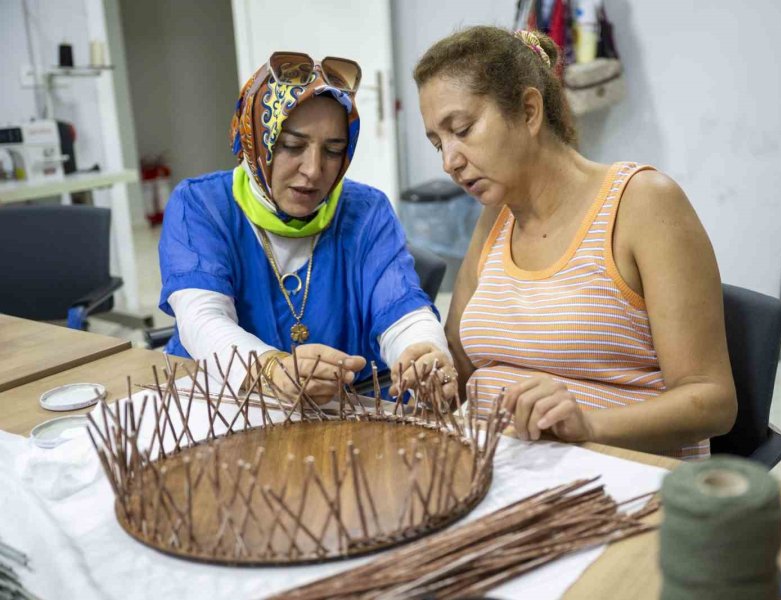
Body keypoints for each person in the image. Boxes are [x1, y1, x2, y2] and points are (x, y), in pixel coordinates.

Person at [414, 27, 736, 458]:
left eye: (464, 129)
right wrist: (427, 365)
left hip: (616, 478)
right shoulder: (496, 213)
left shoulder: (642, 203)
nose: (449, 161)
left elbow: (712, 401)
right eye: (438, 142)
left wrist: (587, 426)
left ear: (529, 111)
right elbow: (460, 363)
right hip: (499, 469)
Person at [158, 51, 454, 404]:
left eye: (333, 150)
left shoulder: (365, 211)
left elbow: (401, 306)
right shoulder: (202, 205)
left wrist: (422, 351)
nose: (313, 170)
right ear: (256, 139)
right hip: (228, 403)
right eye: (293, 146)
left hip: (336, 415)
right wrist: (272, 369)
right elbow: (202, 319)